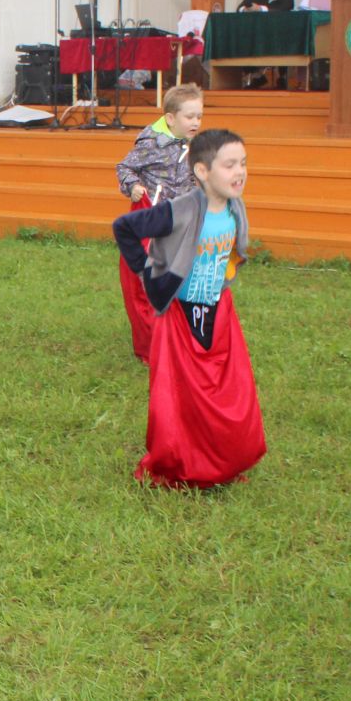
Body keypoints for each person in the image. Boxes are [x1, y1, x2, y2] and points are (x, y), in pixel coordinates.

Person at [112, 129, 264, 488]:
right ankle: (181, 464)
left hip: (218, 311)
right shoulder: (178, 211)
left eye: (243, 163)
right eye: (229, 165)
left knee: (228, 392)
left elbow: (231, 253)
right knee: (182, 397)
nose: (239, 172)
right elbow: (124, 228)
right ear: (202, 171)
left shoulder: (234, 207)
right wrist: (148, 271)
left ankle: (224, 459)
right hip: (180, 317)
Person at [114, 83, 205, 361]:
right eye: (189, 117)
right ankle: (152, 344)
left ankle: (183, 338)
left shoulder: (194, 145)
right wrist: (133, 186)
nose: (196, 122)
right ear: (170, 118)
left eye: (199, 116)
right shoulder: (152, 143)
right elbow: (125, 167)